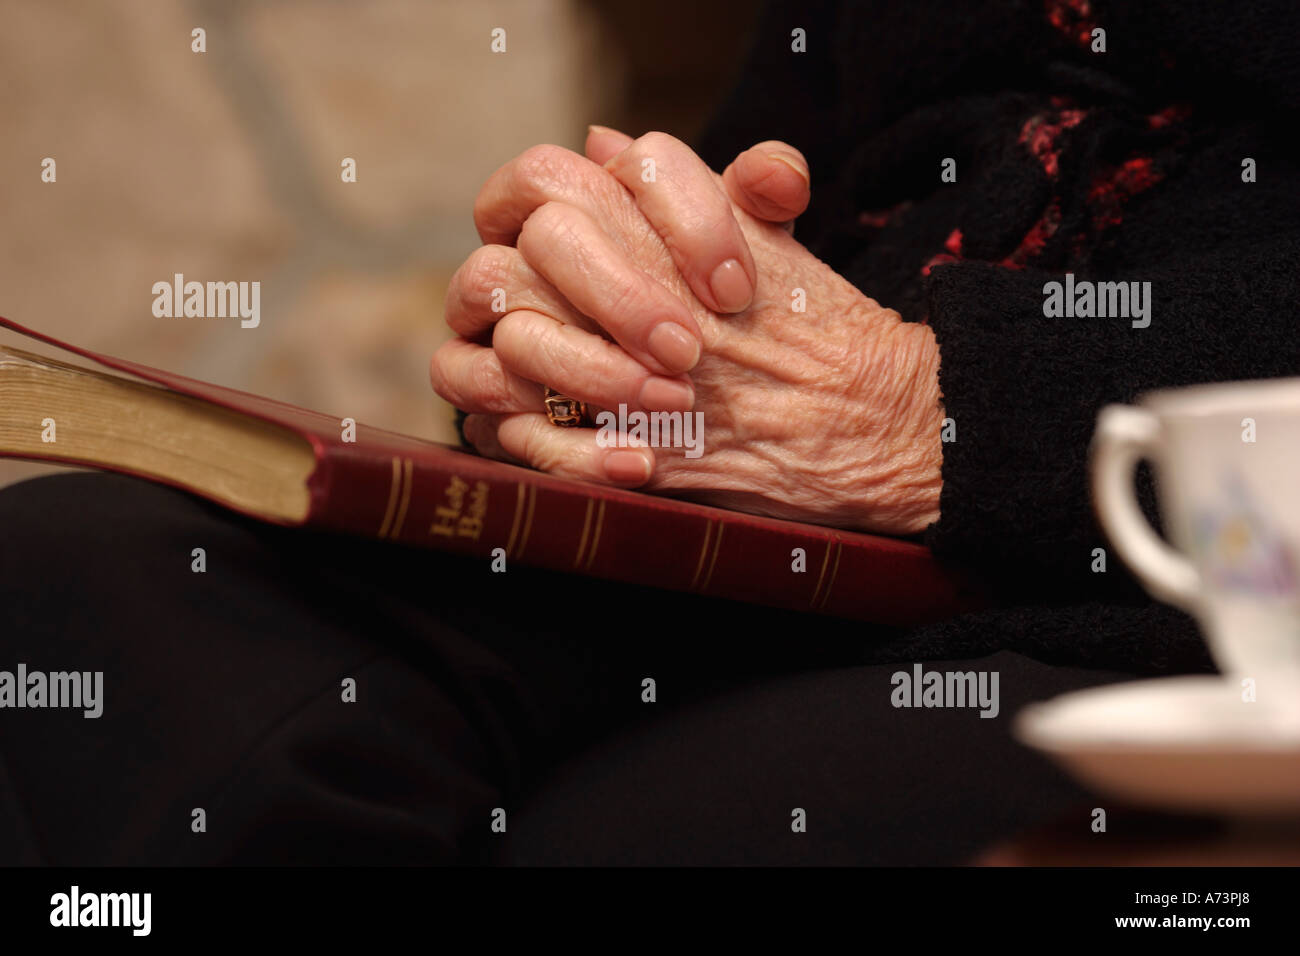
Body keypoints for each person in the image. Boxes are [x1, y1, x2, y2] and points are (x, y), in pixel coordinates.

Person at [2, 0, 1296, 865]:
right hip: (746, 556)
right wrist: (585, 335)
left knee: (694, 820)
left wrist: (939, 412)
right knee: (86, 579)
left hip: (1169, 605)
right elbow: (763, 186)